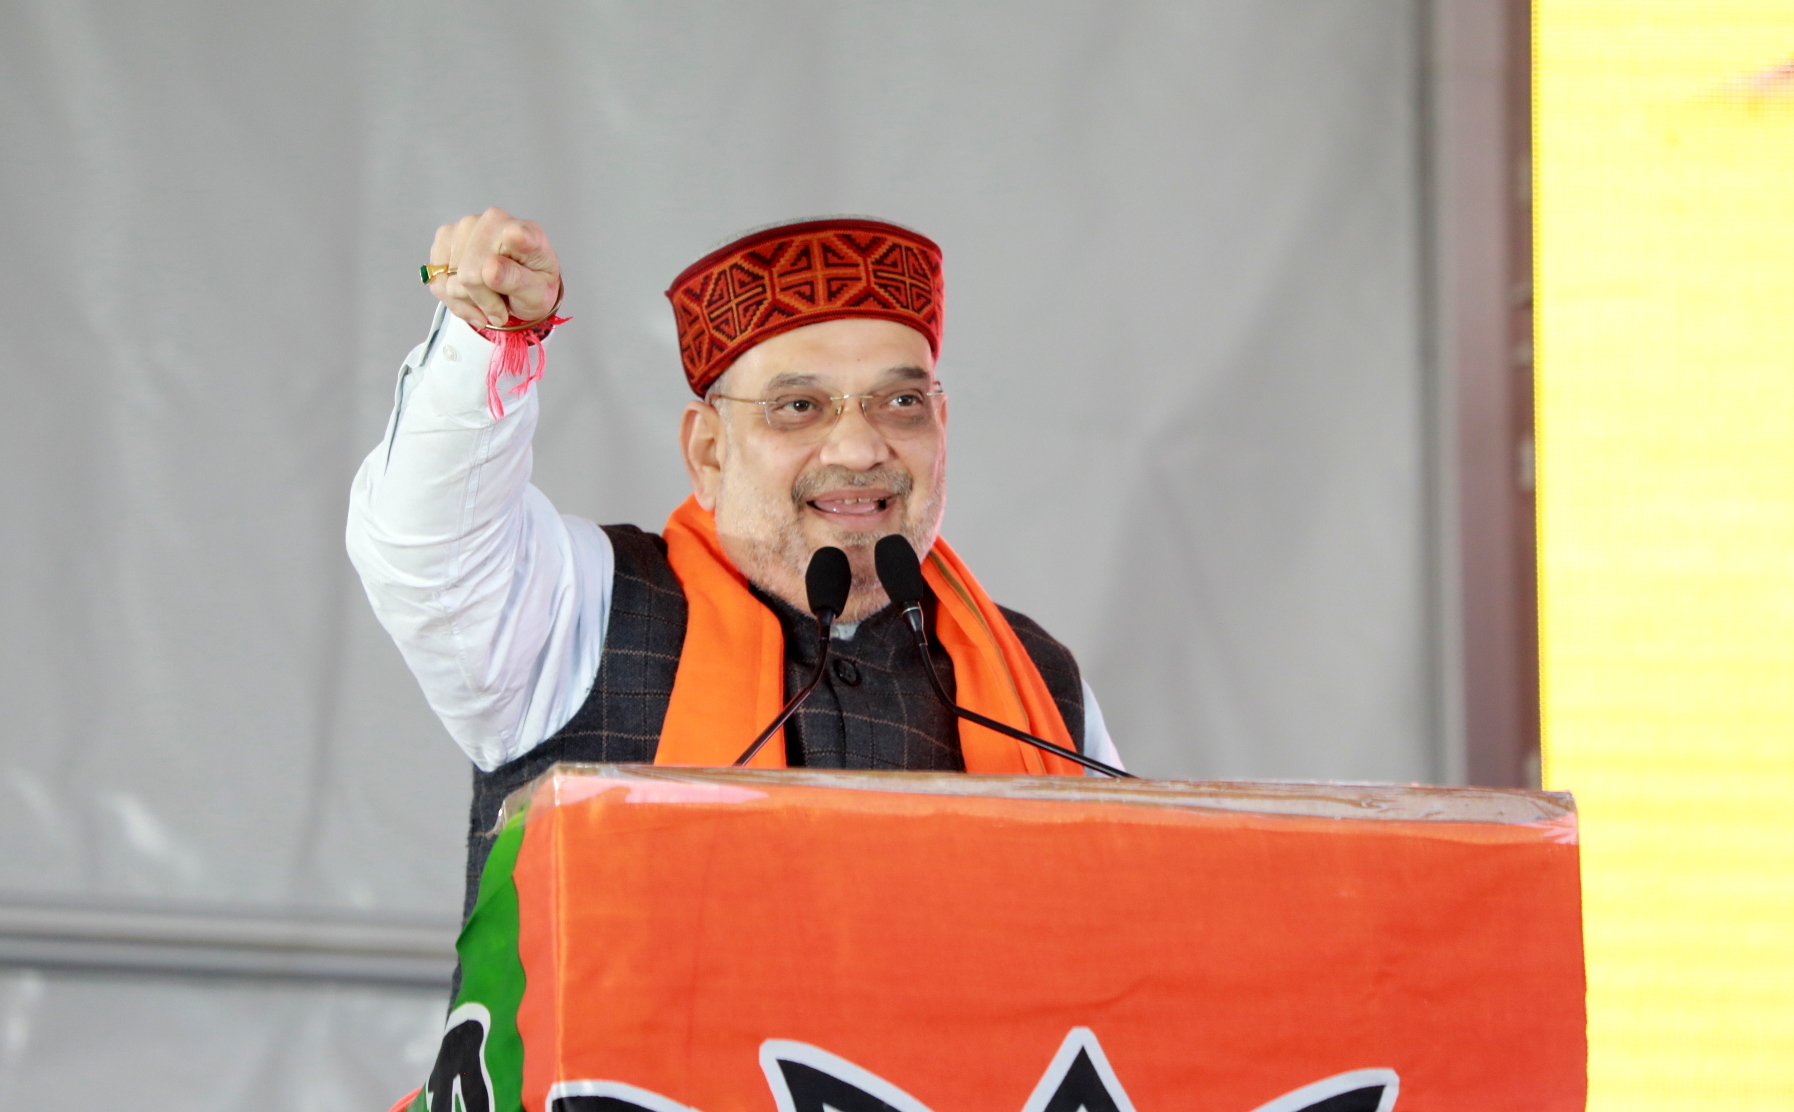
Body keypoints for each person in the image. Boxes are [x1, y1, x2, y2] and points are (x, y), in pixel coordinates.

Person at [346, 208, 1122, 916]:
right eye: (799, 407)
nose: (859, 448)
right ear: (709, 452)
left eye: (901, 403)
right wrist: (487, 342)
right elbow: (427, 550)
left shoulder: (1040, 683)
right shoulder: (580, 608)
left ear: (941, 426)